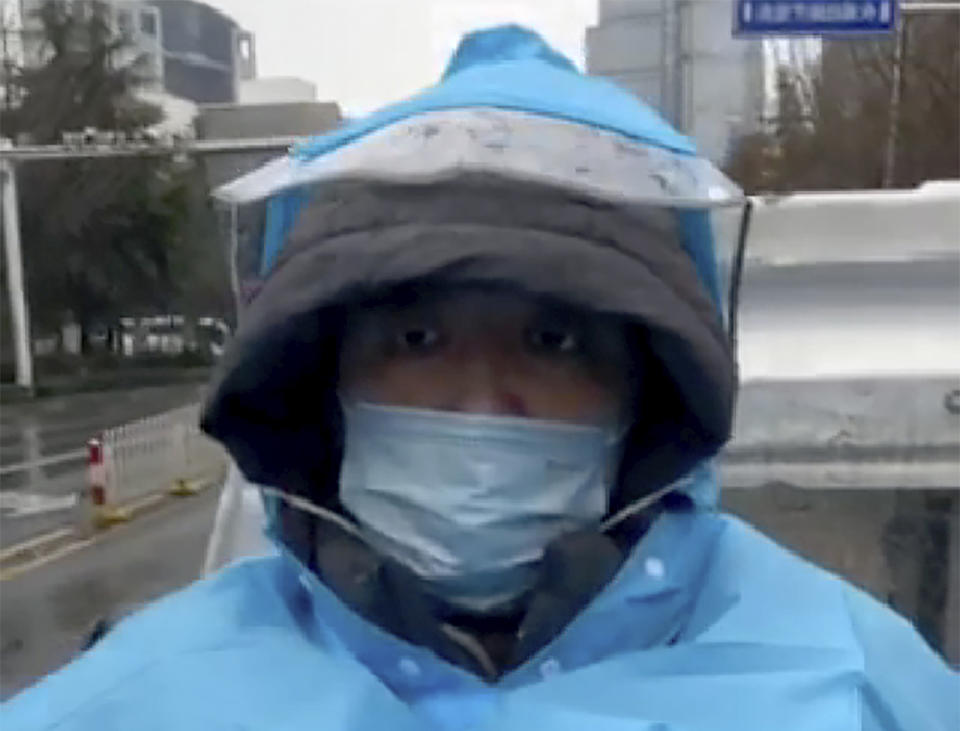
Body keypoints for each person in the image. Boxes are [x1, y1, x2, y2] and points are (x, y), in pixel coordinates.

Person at [4, 25, 956, 731]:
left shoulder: (855, 684)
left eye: (553, 341)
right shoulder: (141, 703)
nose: (480, 400)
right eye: (417, 337)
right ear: (322, 376)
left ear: (647, 386)